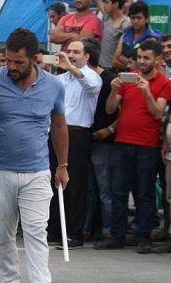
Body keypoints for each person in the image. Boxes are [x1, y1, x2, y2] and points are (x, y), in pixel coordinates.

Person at [0, 28, 67, 283]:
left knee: (36, 232)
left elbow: (59, 126)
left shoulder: (54, 86)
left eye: (18, 62)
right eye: (7, 61)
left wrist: (62, 166)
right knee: (3, 232)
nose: (11, 67)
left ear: (35, 58)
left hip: (38, 172)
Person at [95, 40, 171, 253]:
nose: (142, 62)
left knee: (144, 193)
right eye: (140, 58)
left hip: (147, 146)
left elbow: (157, 113)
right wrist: (113, 91)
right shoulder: (128, 79)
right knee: (118, 191)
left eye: (147, 58)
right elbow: (110, 110)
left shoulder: (164, 82)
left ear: (157, 59)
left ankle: (143, 236)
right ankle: (118, 236)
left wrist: (147, 92)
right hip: (122, 143)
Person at [49, 40, 102, 249]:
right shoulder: (59, 79)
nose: (70, 55)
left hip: (78, 134)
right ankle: (54, 230)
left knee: (76, 185)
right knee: (53, 183)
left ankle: (75, 233)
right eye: (68, 51)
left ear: (86, 56)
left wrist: (71, 67)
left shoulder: (92, 76)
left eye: (76, 52)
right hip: (55, 132)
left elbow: (88, 83)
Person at [81, 37, 118, 241]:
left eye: (77, 53)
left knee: (105, 190)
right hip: (86, 139)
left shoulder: (111, 79)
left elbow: (122, 110)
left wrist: (110, 129)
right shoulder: (78, 78)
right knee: (89, 190)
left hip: (104, 142)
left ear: (88, 57)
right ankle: (90, 228)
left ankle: (109, 231)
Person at [112, 1, 161, 71]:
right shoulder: (125, 34)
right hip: (124, 77)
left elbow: (153, 66)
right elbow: (115, 61)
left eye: (139, 18)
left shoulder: (153, 38)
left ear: (146, 18)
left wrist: (122, 58)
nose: (135, 21)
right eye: (133, 18)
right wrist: (131, 66)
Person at [96, 0, 131, 70]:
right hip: (101, 67)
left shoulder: (126, 24)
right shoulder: (106, 17)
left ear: (115, 4)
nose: (104, 5)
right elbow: (98, 1)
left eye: (107, 2)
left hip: (114, 69)